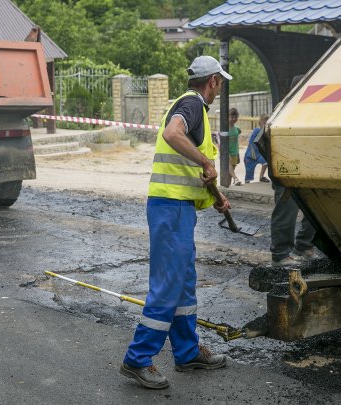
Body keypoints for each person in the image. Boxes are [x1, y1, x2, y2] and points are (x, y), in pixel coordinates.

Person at [120, 55, 232, 389]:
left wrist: (216, 196)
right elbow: (173, 135)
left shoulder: (191, 107)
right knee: (168, 285)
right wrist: (204, 160)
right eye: (220, 82)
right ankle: (137, 359)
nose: (220, 88)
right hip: (169, 208)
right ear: (212, 81)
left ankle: (187, 352)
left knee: (183, 283)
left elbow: (197, 170)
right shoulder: (192, 105)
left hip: (179, 208)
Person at [270, 74, 316, 266]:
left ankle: (304, 245)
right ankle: (280, 254)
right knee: (286, 209)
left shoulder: (309, 110)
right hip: (286, 166)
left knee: (314, 209)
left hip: (306, 165)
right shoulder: (284, 109)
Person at [244, 114, 270, 183]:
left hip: (258, 154)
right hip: (250, 155)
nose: (265, 126)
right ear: (259, 123)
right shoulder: (256, 130)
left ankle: (261, 177)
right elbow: (257, 138)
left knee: (266, 162)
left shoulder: (264, 133)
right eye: (264, 123)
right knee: (249, 174)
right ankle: (247, 183)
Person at [227, 108, 242, 186]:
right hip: (227, 152)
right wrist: (227, 153)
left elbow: (236, 142)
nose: (234, 119)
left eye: (235, 117)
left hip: (235, 152)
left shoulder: (236, 129)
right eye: (232, 117)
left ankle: (229, 186)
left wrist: (238, 154)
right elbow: (222, 142)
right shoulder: (225, 129)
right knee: (230, 169)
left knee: (230, 172)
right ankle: (236, 178)